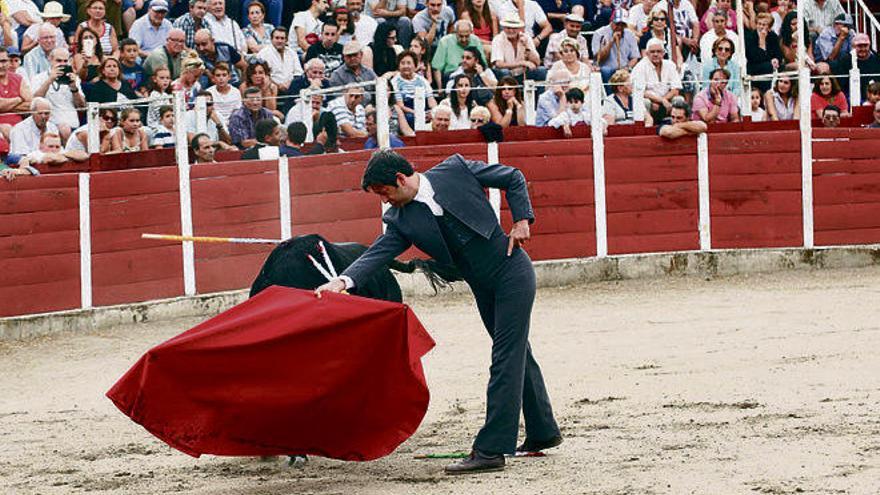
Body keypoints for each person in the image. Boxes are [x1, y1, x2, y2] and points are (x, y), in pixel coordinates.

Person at [315, 149, 562, 475]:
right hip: (483, 285)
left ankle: (491, 449)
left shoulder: (456, 170)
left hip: (511, 272)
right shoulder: (401, 219)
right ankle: (543, 431)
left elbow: (512, 177)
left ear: (400, 179)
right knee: (516, 352)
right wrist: (342, 281)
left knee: (506, 355)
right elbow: (379, 252)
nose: (385, 202)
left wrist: (521, 221)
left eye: (384, 193)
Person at [32, 47, 82, 141]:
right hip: (49, 122)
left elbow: (81, 106)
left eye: (65, 61)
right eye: (58, 60)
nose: (62, 64)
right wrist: (49, 80)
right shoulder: (38, 78)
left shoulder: (74, 78)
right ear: (50, 60)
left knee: (66, 128)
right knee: (64, 129)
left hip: (72, 122)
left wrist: (74, 88)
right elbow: (35, 101)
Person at [631, 38, 682, 123]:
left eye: (658, 51)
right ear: (647, 54)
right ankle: (646, 128)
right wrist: (661, 101)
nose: (655, 54)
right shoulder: (640, 67)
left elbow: (676, 89)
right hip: (650, 101)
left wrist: (663, 100)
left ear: (663, 53)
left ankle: (678, 127)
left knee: (679, 100)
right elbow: (641, 92)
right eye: (652, 52)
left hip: (667, 100)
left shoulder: (670, 65)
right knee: (644, 102)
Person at [824, 33, 880, 104]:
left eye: (865, 46)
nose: (863, 49)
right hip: (851, 97)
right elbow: (840, 85)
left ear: (869, 46)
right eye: (859, 46)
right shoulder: (845, 61)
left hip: (874, 96)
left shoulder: (877, 60)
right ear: (853, 46)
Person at [490, 13, 545, 82]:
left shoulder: (526, 38)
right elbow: (499, 64)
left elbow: (537, 62)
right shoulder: (498, 39)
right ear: (504, 28)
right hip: (506, 73)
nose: (511, 31)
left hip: (522, 73)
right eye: (508, 28)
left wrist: (527, 46)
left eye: (514, 28)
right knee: (504, 72)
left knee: (541, 71)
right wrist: (522, 63)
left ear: (519, 29)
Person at [591, 9, 640, 83]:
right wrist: (611, 41)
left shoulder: (630, 34)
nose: (620, 27)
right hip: (605, 69)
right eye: (617, 24)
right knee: (606, 71)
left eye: (623, 24)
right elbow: (599, 58)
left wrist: (627, 68)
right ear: (611, 22)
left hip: (623, 68)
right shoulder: (599, 33)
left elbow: (635, 57)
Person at [391, 50, 437, 128]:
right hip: (406, 110)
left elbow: (431, 100)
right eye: (402, 63)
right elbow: (400, 105)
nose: (406, 66)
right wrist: (417, 113)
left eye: (409, 63)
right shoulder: (395, 82)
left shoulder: (422, 80)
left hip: (422, 106)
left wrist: (433, 112)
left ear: (415, 65)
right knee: (410, 118)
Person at [432, 20, 485, 86]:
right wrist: (440, 88)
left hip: (472, 74)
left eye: (467, 36)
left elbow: (483, 63)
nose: (464, 39)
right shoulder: (445, 41)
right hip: (452, 75)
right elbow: (437, 68)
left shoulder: (476, 40)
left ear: (471, 32)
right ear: (455, 33)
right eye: (461, 36)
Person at [328, 40, 378, 105]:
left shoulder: (369, 72)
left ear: (361, 54)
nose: (352, 58)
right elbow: (339, 99)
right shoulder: (337, 75)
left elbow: (378, 92)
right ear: (344, 57)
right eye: (349, 56)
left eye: (355, 55)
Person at [744, 13, 780, 93]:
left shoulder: (773, 36)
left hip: (771, 67)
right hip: (753, 67)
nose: (761, 27)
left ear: (769, 27)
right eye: (759, 24)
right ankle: (766, 93)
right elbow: (754, 58)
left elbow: (778, 54)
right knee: (767, 66)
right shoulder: (750, 37)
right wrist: (762, 42)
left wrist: (775, 59)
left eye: (764, 25)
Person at [258, 28, 302, 93]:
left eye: (282, 38)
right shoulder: (264, 53)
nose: (279, 41)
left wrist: (290, 83)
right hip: (271, 88)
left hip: (292, 87)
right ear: (271, 39)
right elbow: (263, 75)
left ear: (286, 40)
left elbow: (298, 73)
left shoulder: (292, 53)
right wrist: (278, 86)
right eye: (277, 38)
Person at [0, 47, 31, 136]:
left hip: (19, 124)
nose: (1, 65)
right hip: (3, 127)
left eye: (4, 61)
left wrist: (4, 107)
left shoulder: (18, 79)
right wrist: (18, 99)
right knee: (8, 129)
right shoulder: (19, 97)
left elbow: (30, 104)